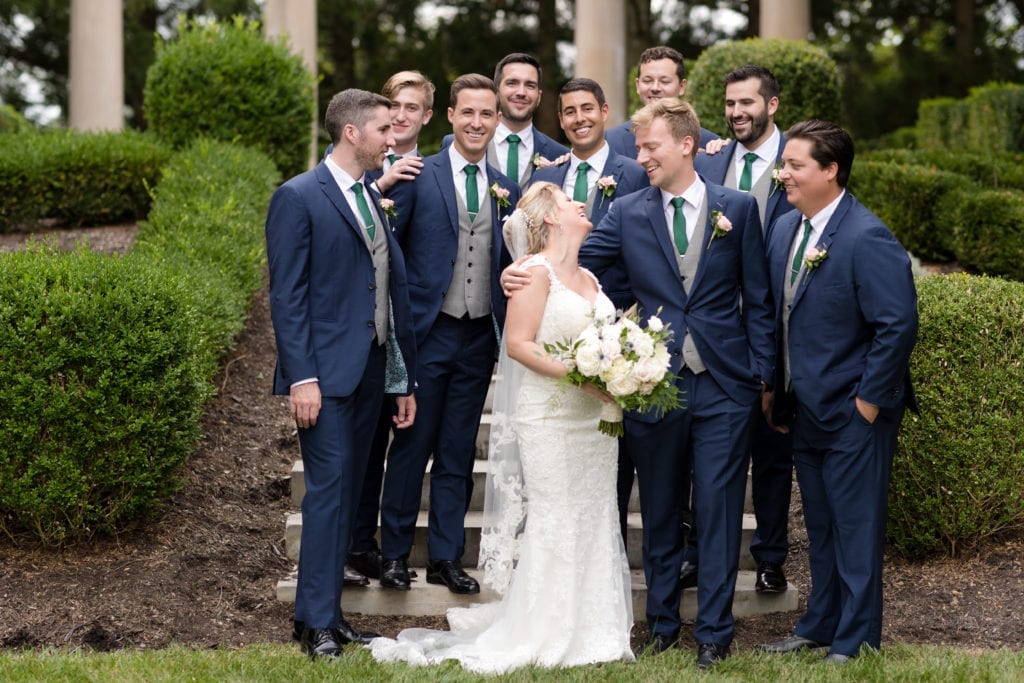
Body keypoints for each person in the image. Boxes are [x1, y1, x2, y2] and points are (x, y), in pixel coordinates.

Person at [504, 98, 775, 670]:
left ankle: (715, 633)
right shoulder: (627, 211)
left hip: (726, 385)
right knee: (657, 508)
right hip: (652, 386)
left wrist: (760, 373)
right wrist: (522, 266)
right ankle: (661, 625)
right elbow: (566, 262)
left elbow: (760, 298)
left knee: (720, 509)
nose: (640, 156)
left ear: (685, 145)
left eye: (650, 147)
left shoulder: (739, 208)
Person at [370, 181, 634, 674]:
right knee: (556, 515)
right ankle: (547, 628)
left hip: (592, 419)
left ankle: (595, 625)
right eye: (570, 200)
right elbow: (518, 344)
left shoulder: (592, 280)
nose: (581, 204)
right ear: (551, 218)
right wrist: (588, 378)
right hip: (551, 416)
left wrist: (616, 373)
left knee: (595, 512)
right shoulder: (532, 274)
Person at [758, 120, 918, 663]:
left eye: (795, 165)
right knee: (821, 528)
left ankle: (855, 639)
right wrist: (774, 387)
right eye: (784, 164)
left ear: (831, 170)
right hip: (803, 410)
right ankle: (819, 625)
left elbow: (896, 324)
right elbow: (780, 316)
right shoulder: (784, 229)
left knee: (855, 529)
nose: (784, 174)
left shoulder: (866, 235)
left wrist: (867, 403)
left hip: (854, 414)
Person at [265, 88, 418, 659]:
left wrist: (402, 380)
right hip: (325, 378)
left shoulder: (368, 196)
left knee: (350, 498)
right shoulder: (298, 197)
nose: (393, 137)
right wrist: (302, 378)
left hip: (372, 371)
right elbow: (288, 296)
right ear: (352, 133)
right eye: (383, 129)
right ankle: (318, 624)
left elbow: (388, 289)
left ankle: (324, 617)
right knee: (327, 498)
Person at [377, 74, 520, 596]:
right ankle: (394, 554)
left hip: (480, 334)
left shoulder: (509, 187)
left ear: (497, 121)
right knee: (412, 445)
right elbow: (390, 252)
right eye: (468, 113)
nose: (477, 123)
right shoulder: (420, 174)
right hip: (427, 332)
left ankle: (445, 556)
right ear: (452, 117)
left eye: (487, 114)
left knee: (459, 452)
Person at [683, 64, 795, 594]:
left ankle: (771, 556)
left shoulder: (798, 160)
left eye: (746, 103)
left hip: (780, 321)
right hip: (717, 326)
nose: (736, 113)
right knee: (706, 449)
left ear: (772, 105)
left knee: (772, 447)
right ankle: (698, 552)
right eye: (729, 104)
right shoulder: (710, 160)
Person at [531, 77, 648, 545]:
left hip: (622, 328)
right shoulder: (547, 176)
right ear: (559, 120)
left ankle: (613, 551)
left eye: (587, 109)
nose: (579, 119)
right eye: (569, 112)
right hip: (561, 332)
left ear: (604, 111)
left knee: (619, 456)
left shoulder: (636, 172)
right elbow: (531, 249)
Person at [345, 70, 435, 587]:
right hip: (360, 328)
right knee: (357, 446)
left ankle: (371, 543)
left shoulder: (433, 170)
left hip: (409, 327)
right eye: (393, 107)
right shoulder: (354, 171)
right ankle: (353, 542)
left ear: (426, 115)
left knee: (388, 442)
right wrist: (380, 185)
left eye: (411, 108)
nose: (400, 117)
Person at [442, 53, 569, 185]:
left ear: (539, 96)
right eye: (512, 83)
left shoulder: (559, 155)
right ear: (496, 92)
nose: (521, 92)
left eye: (530, 85)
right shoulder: (453, 143)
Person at [605, 46, 719, 159]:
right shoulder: (610, 141)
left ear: (682, 86)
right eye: (647, 80)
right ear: (637, 85)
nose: (655, 88)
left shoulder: (711, 144)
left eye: (665, 81)